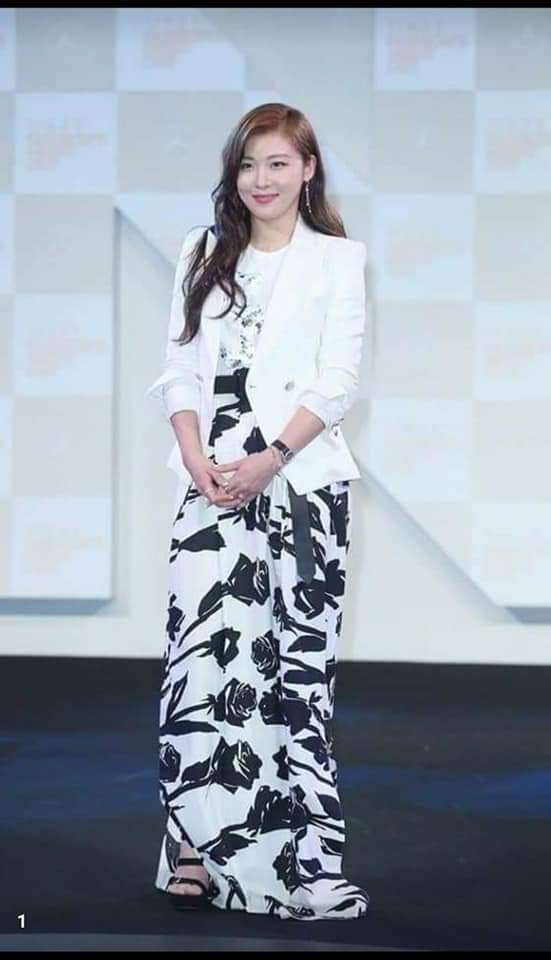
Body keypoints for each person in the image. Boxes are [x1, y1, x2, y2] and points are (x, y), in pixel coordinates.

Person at [146, 101, 369, 921]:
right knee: (201, 671)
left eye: (277, 163)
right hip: (209, 489)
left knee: (293, 679)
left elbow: (337, 381)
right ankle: (194, 849)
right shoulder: (202, 252)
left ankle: (305, 864)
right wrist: (195, 456)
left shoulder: (337, 261)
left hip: (300, 487)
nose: (260, 180)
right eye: (247, 164)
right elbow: (177, 369)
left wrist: (270, 458)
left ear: (307, 170)